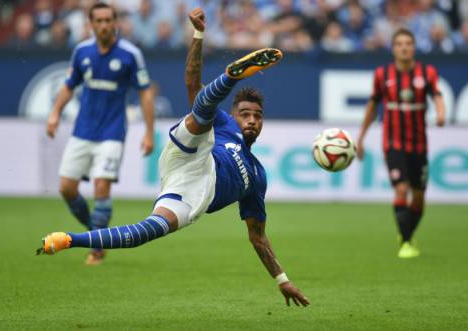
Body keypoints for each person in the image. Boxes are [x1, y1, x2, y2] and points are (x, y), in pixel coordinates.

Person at [38, 7, 309, 307]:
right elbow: (193, 84)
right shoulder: (227, 125)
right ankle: (229, 78)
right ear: (234, 115)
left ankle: (69, 240)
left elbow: (257, 237)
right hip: (193, 154)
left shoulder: (257, 176)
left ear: (263, 123)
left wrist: (282, 280)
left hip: (195, 192)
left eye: (257, 116)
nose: (251, 120)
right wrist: (199, 35)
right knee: (202, 112)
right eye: (245, 114)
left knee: (147, 231)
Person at [46, 2, 154, 265]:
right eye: (99, 21)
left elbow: (145, 92)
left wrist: (149, 132)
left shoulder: (130, 54)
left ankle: (96, 249)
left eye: (109, 20)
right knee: (66, 188)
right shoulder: (81, 51)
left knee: (101, 186)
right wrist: (55, 113)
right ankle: (97, 234)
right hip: (82, 131)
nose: (104, 25)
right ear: (91, 24)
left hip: (112, 133)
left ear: (115, 22)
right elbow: (69, 85)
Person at [356, 28, 445, 259]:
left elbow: (437, 95)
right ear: (394, 48)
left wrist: (441, 113)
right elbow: (372, 106)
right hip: (393, 143)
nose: (404, 47)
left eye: (408, 43)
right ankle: (406, 242)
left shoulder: (427, 72)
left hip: (419, 145)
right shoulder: (382, 74)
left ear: (413, 47)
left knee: (418, 197)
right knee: (401, 189)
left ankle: (407, 232)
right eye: (399, 44)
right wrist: (361, 138)